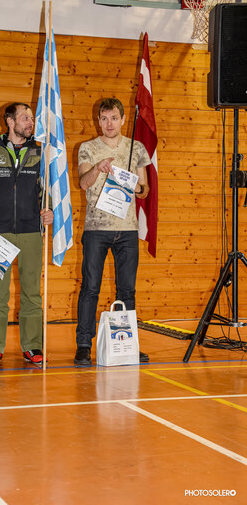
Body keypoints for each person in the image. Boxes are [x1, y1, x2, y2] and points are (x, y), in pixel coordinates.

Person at [0, 102, 53, 368]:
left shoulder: (41, 154)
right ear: (10, 121)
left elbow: (48, 192)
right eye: (25, 117)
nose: (30, 122)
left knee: (32, 294)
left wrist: (50, 210)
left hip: (31, 234)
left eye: (31, 118)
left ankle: (33, 347)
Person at [74, 97, 151, 366]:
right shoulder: (88, 148)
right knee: (90, 288)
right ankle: (84, 345)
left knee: (127, 291)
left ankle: (127, 344)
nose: (109, 124)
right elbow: (83, 183)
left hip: (127, 229)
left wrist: (134, 186)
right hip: (96, 228)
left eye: (114, 118)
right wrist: (98, 168)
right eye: (104, 119)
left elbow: (144, 190)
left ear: (122, 120)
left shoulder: (136, 148)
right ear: (98, 121)